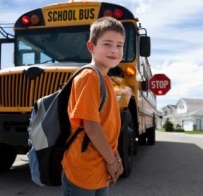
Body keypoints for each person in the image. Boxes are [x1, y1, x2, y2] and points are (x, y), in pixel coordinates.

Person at [61, 16, 125, 196]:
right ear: (91, 46)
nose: (114, 50)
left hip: (99, 166)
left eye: (119, 45)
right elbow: (91, 125)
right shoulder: (89, 77)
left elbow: (106, 125)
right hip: (83, 169)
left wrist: (114, 157)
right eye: (107, 44)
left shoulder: (104, 79)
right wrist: (112, 162)